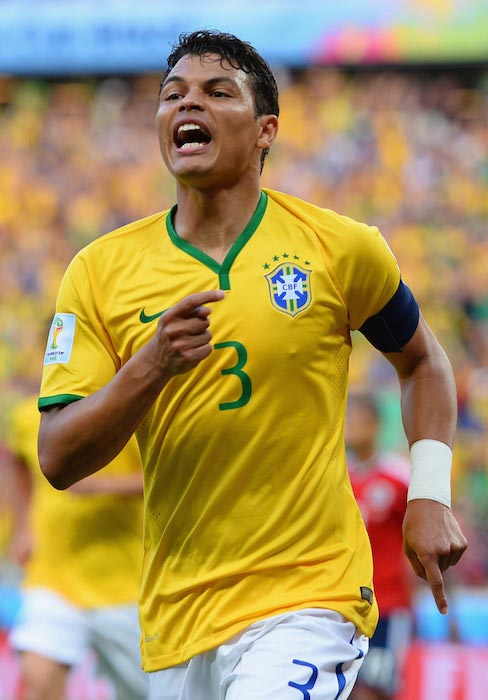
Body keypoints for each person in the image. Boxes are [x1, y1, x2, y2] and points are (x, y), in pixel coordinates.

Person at [36, 29, 467, 700]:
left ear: (266, 129)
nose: (189, 105)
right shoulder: (98, 273)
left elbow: (424, 361)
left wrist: (430, 493)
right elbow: (59, 456)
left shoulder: (339, 249)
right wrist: (151, 365)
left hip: (310, 591)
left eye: (216, 92)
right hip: (179, 611)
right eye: (172, 94)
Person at [5, 393, 149, 700]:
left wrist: (98, 485)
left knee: (148, 692)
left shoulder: (134, 409)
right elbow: (14, 459)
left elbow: (165, 477)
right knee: (38, 683)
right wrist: (23, 527)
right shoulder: (33, 412)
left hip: (125, 584)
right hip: (52, 577)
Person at [345, 392, 414, 700]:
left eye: (357, 420)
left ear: (374, 426)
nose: (348, 427)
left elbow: (427, 539)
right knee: (348, 690)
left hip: (388, 607)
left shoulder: (398, 477)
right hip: (344, 607)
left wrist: (446, 612)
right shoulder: (337, 477)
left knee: (376, 691)